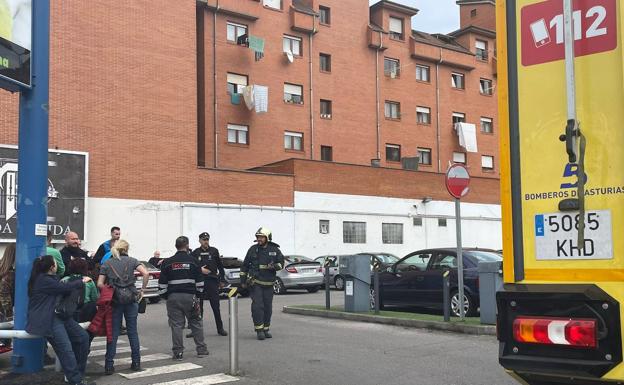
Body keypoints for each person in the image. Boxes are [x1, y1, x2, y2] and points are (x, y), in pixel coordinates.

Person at [26, 255, 94, 385]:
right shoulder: (43, 280)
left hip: (59, 315)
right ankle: (75, 380)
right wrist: (82, 281)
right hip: (48, 319)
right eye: (56, 263)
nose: (59, 264)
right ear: (52, 267)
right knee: (65, 349)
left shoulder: (49, 278)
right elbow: (64, 288)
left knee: (83, 338)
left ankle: (77, 375)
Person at [97, 239, 149, 375]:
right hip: (131, 299)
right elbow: (146, 273)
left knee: (113, 332)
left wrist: (110, 290)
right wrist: (142, 290)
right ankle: (136, 362)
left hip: (115, 301)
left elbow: (99, 284)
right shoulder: (132, 261)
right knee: (132, 332)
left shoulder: (107, 263)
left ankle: (109, 365)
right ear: (126, 249)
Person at [158, 236, 208, 360]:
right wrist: (198, 295)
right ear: (187, 246)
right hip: (190, 297)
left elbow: (162, 284)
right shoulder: (194, 261)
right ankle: (201, 350)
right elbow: (200, 282)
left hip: (173, 298)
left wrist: (167, 296)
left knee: (176, 325)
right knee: (196, 323)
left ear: (176, 246)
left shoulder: (167, 262)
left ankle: (178, 353)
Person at [240, 227, 284, 340]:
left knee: (268, 307)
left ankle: (266, 328)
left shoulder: (275, 249)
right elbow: (244, 266)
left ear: (267, 237)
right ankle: (259, 330)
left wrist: (274, 266)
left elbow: (281, 264)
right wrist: (243, 281)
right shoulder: (253, 249)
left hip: (269, 283)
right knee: (257, 306)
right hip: (256, 282)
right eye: (258, 237)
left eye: (261, 237)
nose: (259, 239)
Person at [189, 232, 227, 338]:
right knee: (198, 307)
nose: (206, 241)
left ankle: (220, 329)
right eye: (204, 240)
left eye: (207, 239)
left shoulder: (214, 251)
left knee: (216, 306)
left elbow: (220, 266)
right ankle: (195, 330)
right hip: (200, 282)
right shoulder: (195, 252)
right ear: (200, 241)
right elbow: (192, 267)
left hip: (212, 281)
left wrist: (222, 279)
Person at [62, 258, 99, 323]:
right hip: (85, 313)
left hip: (67, 311)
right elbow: (95, 298)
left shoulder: (64, 280)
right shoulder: (89, 281)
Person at [0, 244, 15, 349]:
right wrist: (10, 316)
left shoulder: (2, 267)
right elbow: (5, 297)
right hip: (5, 312)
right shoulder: (9, 274)